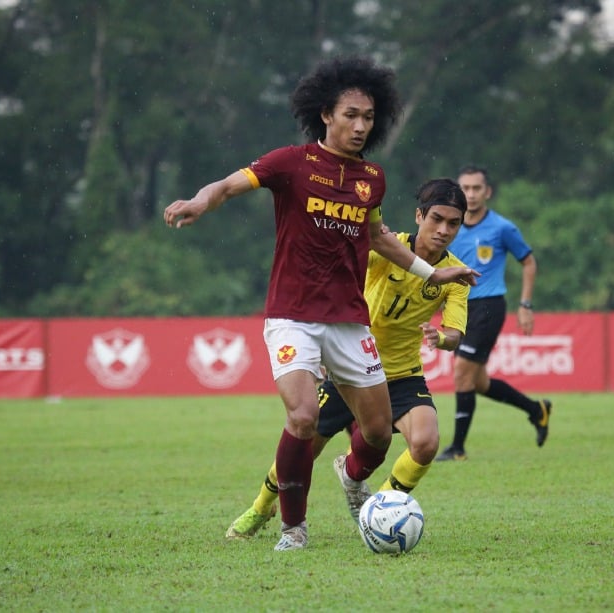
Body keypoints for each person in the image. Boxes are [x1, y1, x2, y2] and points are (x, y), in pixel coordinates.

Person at [163, 57, 476, 551]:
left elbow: (377, 236)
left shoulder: (372, 178)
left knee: (376, 435)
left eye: (369, 117)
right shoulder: (290, 162)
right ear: (326, 114)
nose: (360, 126)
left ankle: (352, 480)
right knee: (304, 417)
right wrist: (203, 201)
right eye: (351, 114)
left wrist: (432, 274)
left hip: (350, 323)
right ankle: (293, 528)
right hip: (292, 316)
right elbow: (227, 184)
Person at [225, 177, 470, 540]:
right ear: (419, 216)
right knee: (302, 448)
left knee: (426, 442)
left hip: (403, 375)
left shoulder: (456, 274)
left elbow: (455, 334)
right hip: (351, 368)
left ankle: (380, 509)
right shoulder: (387, 248)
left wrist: (443, 339)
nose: (443, 230)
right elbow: (341, 264)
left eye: (453, 223)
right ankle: (261, 506)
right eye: (437, 219)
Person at [435, 165, 551, 462]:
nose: (471, 194)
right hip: (458, 308)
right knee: (479, 382)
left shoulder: (502, 228)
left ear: (487, 192)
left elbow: (528, 262)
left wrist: (525, 304)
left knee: (461, 374)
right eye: (465, 189)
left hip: (488, 306)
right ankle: (536, 410)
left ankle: (457, 448)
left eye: (476, 188)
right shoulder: (450, 226)